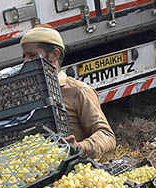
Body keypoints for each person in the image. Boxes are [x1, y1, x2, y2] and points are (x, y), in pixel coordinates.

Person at [20, 26, 116, 158]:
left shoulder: (79, 91)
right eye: (24, 56)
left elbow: (107, 135)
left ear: (54, 55)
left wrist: (80, 147)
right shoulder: (27, 93)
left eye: (32, 55)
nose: (26, 61)